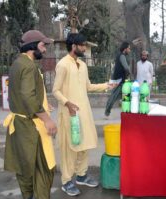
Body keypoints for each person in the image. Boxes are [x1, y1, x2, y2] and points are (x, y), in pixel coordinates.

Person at [52, 33, 114, 196]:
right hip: (69, 114)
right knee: (70, 148)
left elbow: (88, 86)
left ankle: (81, 175)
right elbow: (55, 91)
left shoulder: (82, 65)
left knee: (84, 145)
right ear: (74, 46)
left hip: (84, 112)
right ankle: (66, 181)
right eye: (82, 45)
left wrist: (106, 86)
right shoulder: (63, 65)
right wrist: (68, 103)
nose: (84, 48)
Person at [3, 30, 57, 199]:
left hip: (19, 124)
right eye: (43, 45)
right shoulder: (28, 65)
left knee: (24, 168)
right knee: (45, 169)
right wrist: (47, 119)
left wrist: (43, 102)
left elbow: (22, 92)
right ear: (31, 46)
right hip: (31, 126)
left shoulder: (17, 63)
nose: (45, 49)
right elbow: (27, 95)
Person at [104, 41, 131, 117]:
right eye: (129, 48)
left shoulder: (120, 56)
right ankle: (107, 112)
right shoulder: (122, 56)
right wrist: (129, 72)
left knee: (126, 95)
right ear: (125, 49)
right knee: (114, 96)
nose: (129, 50)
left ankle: (126, 111)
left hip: (119, 79)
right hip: (118, 80)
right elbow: (126, 67)